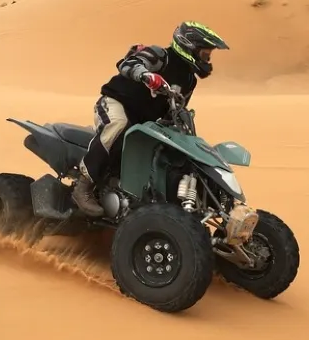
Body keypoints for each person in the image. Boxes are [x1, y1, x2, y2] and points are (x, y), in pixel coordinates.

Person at [72, 21, 230, 217]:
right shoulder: (160, 56)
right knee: (118, 125)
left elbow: (176, 109)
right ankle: (83, 185)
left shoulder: (189, 80)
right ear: (190, 47)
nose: (207, 59)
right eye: (205, 54)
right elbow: (127, 64)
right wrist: (146, 75)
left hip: (144, 122)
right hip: (115, 103)